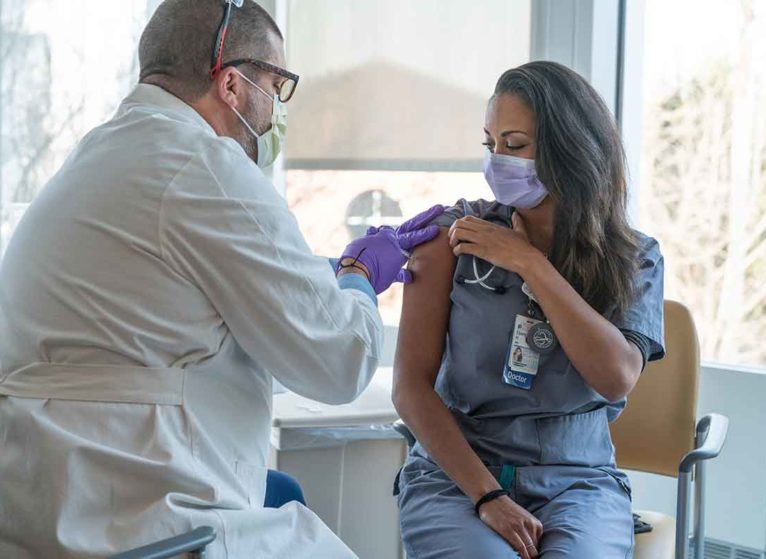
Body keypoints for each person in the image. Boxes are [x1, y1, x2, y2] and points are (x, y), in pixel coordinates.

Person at [0, 1, 442, 557]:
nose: (276, 114)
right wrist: (356, 277)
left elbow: (165, 309)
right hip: (140, 520)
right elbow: (341, 361)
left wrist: (312, 280)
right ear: (231, 84)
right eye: (276, 87)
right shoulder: (207, 167)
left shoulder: (101, 154)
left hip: (46, 500)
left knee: (284, 497)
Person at [393, 61, 665, 559]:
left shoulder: (634, 256)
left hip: (578, 483)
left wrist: (531, 266)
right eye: (490, 144)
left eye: (514, 145)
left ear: (572, 149)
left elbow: (616, 376)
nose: (498, 160)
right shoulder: (453, 238)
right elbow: (410, 387)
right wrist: (488, 495)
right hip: (458, 477)